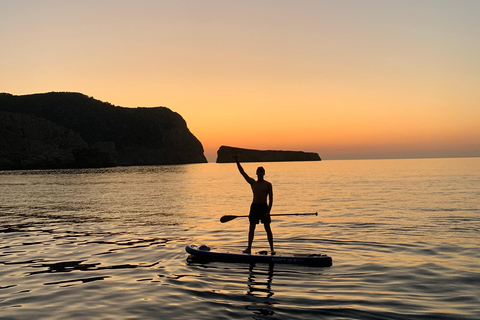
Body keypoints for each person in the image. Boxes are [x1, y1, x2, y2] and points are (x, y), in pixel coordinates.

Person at [234, 156, 274, 254]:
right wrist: (237, 162)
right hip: (255, 207)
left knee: (267, 228)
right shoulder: (253, 183)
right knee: (251, 228)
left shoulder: (268, 184)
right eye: (258, 172)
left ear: (264, 174)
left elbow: (271, 199)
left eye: (261, 172)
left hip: (264, 207)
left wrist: (268, 212)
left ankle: (272, 249)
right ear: (256, 173)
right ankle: (249, 248)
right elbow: (243, 173)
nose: (260, 174)